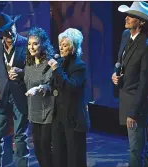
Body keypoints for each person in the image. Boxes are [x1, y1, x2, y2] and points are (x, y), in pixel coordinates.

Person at [111, 2, 148, 167]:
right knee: (141, 149)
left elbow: (146, 83)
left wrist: (134, 112)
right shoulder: (126, 35)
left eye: (131, 16)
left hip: (138, 106)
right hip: (127, 98)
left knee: (135, 151)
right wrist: (116, 76)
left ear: (141, 22)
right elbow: (121, 61)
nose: (126, 18)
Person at [0, 12, 29, 167]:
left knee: (20, 138)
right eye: (5, 31)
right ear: (0, 34)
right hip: (1, 97)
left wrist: (22, 72)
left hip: (21, 95)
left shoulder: (26, 44)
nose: (10, 32)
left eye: (11, 27)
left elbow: (35, 71)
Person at [47, 28, 90, 167]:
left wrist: (56, 70)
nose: (61, 48)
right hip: (58, 117)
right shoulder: (60, 62)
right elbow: (55, 85)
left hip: (73, 118)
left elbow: (71, 87)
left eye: (65, 45)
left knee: (74, 157)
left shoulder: (79, 66)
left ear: (74, 47)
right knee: (59, 156)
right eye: (60, 44)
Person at [24, 27, 54, 167]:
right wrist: (18, 73)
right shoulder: (29, 64)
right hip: (34, 112)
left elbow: (50, 85)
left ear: (43, 44)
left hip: (47, 112)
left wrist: (39, 88)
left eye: (35, 43)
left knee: (45, 148)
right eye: (29, 43)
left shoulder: (48, 63)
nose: (31, 47)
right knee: (37, 149)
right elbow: (26, 80)